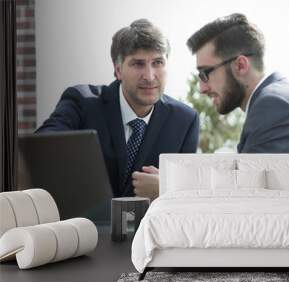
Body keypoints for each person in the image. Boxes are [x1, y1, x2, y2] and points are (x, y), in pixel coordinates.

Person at [37, 19, 199, 200]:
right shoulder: (82, 102)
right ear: (118, 70)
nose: (149, 76)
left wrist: (167, 188)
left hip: (149, 226)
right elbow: (40, 149)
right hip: (86, 224)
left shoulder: (185, 121)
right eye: (138, 64)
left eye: (158, 62)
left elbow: (189, 192)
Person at [186, 13, 289, 197]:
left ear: (241, 66)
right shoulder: (278, 96)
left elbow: (247, 193)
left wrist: (175, 188)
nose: (202, 88)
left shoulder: (275, 105)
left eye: (205, 73)